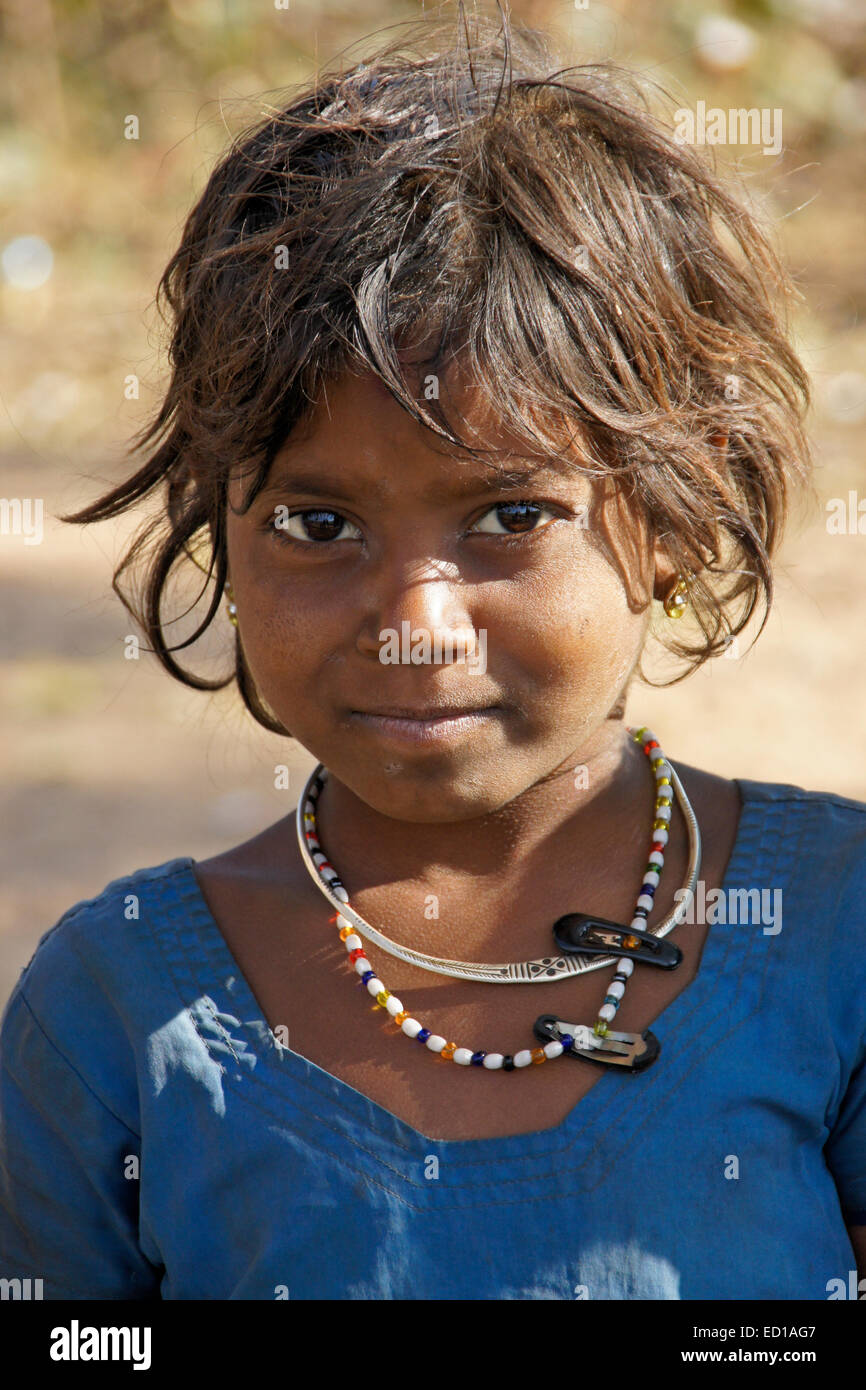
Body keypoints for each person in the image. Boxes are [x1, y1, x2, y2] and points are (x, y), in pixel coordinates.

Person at [1, 9, 864, 1301]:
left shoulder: (832, 935)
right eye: (317, 523)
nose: (413, 617)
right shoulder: (119, 1011)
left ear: (679, 514)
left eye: (510, 518)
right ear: (220, 528)